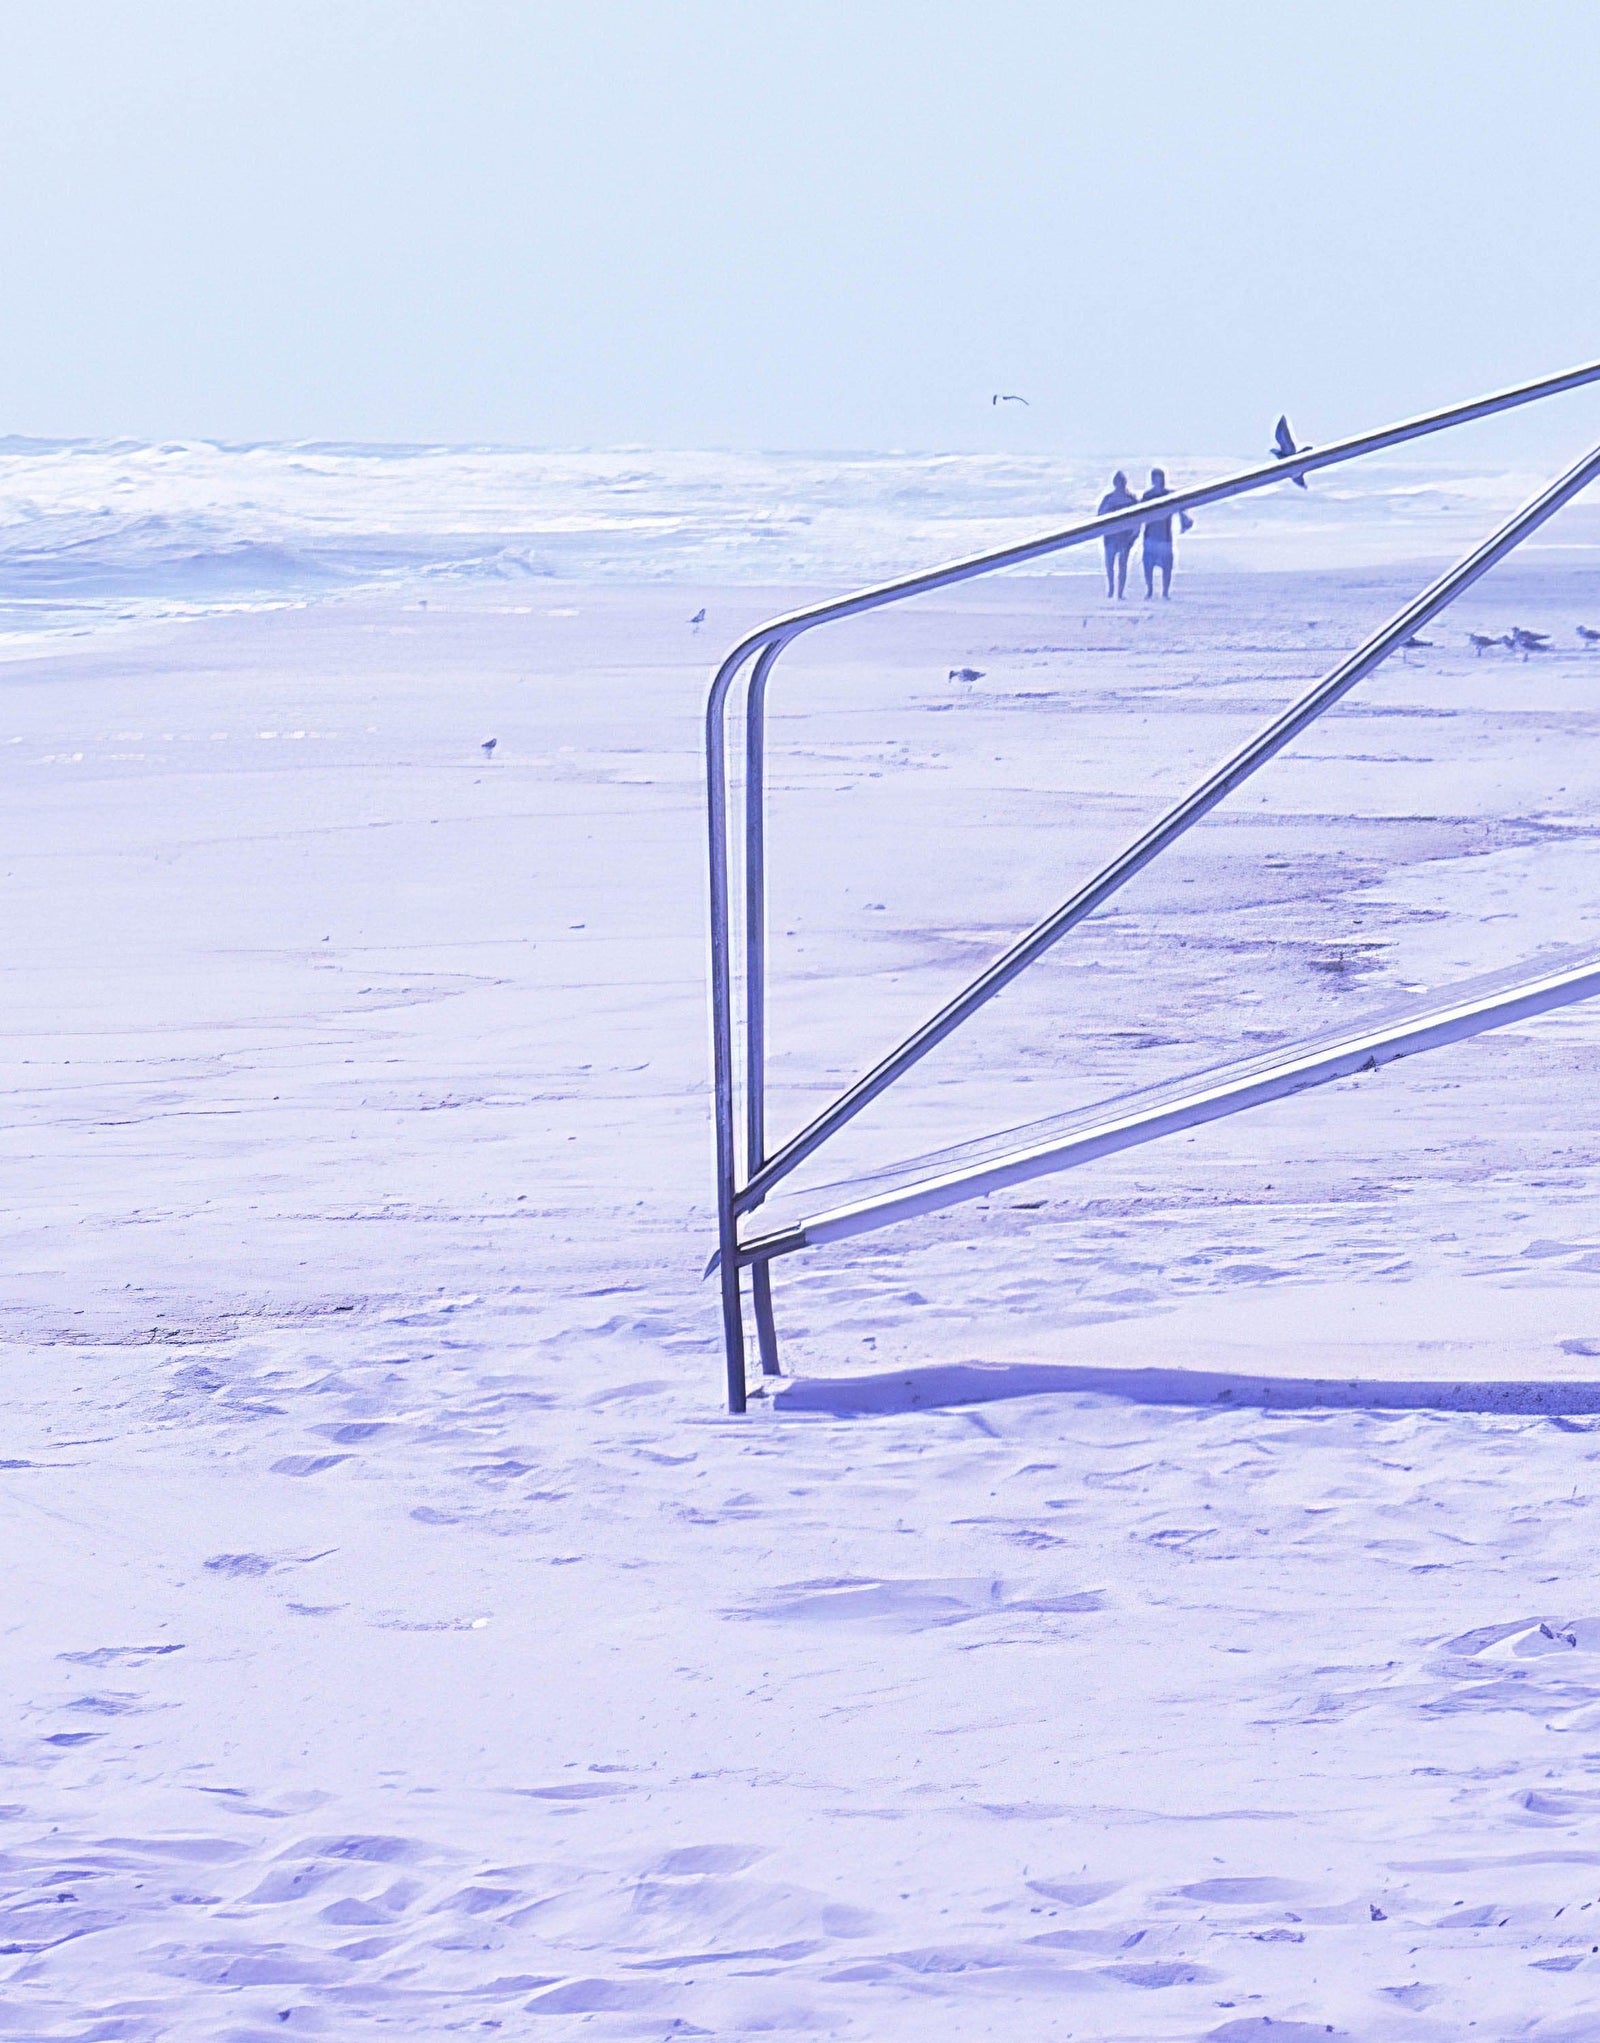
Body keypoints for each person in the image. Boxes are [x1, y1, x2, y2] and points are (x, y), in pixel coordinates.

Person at [1097, 470, 1138, 598]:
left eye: (1122, 482)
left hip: (1125, 537)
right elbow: (1100, 516)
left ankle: (1120, 592)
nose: (1120, 484)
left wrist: (1134, 534)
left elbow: (1138, 518)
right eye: (1118, 482)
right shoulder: (1108, 499)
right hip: (1110, 537)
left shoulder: (1131, 499)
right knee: (1109, 565)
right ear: (1114, 483)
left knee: (1122, 565)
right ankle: (1111, 589)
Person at [1141, 467, 1179, 599]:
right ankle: (1150, 589)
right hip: (1150, 536)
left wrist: (1185, 520)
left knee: (1167, 566)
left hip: (1165, 537)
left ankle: (1165, 592)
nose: (1159, 481)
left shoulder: (1169, 494)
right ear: (1152, 480)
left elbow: (1179, 508)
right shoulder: (1147, 496)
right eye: (1156, 478)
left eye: (1161, 478)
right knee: (1148, 565)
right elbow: (1140, 515)